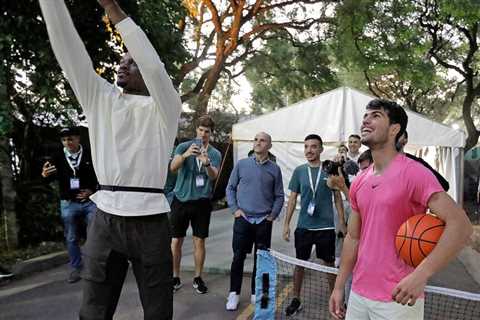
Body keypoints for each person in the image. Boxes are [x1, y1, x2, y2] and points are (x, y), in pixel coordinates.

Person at [40, 0, 182, 318]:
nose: (122, 65)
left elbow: (154, 66)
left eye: (130, 62)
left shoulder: (166, 107)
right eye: (121, 60)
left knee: (159, 311)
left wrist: (113, 10)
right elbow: (67, 48)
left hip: (151, 223)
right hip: (105, 220)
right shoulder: (99, 98)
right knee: (93, 311)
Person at [329, 99, 472, 320]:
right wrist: (339, 287)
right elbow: (353, 238)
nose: (366, 119)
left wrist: (422, 274)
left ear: (395, 129)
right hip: (358, 292)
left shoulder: (415, 173)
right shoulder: (359, 181)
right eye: (366, 115)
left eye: (376, 115)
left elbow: (461, 226)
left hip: (398, 298)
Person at [283, 134, 347, 317]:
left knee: (328, 264)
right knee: (299, 264)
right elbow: (293, 198)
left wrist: (342, 223)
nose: (309, 150)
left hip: (325, 227)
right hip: (304, 226)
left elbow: (337, 198)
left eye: (313, 146)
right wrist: (287, 224)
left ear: (320, 149)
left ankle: (335, 300)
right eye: (306, 147)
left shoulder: (329, 169)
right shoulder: (299, 171)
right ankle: (296, 299)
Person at [225, 132, 284, 310]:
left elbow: (279, 195)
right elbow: (230, 188)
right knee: (238, 258)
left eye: (262, 140)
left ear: (269, 146)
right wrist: (235, 210)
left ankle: (255, 293)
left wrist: (272, 215)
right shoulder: (242, 165)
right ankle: (233, 294)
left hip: (263, 222)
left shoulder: (275, 169)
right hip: (243, 220)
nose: (258, 142)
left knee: (261, 260)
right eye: (256, 140)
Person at [169, 115, 222, 294]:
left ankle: (198, 278)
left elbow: (214, 175)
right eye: (200, 130)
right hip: (181, 200)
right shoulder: (184, 146)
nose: (203, 134)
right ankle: (175, 277)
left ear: (211, 133)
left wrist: (206, 163)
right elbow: (172, 167)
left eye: (207, 131)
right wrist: (185, 155)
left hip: (201, 202)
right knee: (176, 241)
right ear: (196, 130)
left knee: (199, 241)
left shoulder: (214, 153)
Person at [41, 127, 98, 283]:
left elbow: (100, 175)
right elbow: (47, 176)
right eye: (64, 140)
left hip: (89, 201)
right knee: (71, 237)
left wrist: (92, 191)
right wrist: (44, 175)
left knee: (95, 233)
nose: (68, 142)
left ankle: (94, 265)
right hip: (68, 202)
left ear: (78, 139)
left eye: (71, 139)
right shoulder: (57, 156)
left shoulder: (90, 153)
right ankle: (76, 268)